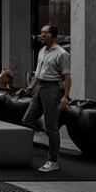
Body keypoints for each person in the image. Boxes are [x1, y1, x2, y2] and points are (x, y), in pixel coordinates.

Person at [17, 24, 72, 172]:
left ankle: (53, 161)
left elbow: (67, 77)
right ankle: (44, 123)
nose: (41, 36)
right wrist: (30, 88)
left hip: (53, 89)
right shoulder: (42, 51)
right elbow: (38, 73)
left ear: (52, 35)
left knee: (52, 129)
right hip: (40, 87)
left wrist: (65, 97)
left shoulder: (62, 54)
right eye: (41, 33)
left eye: (44, 33)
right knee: (27, 120)